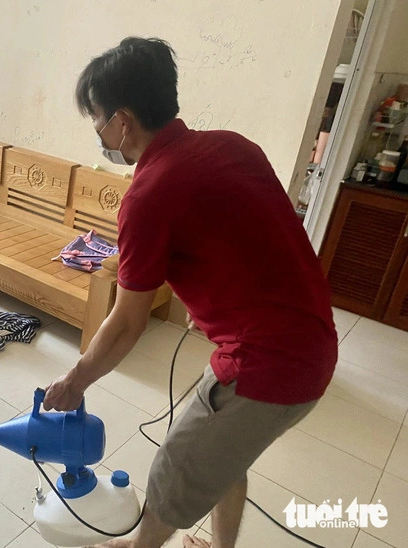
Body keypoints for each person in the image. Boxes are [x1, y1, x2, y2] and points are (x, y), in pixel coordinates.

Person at [42, 37, 337, 548]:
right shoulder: (232, 145)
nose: (97, 131)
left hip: (268, 360)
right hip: (312, 339)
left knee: (177, 464)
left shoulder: (149, 193)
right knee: (223, 458)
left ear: (122, 120)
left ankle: (140, 547)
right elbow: (255, 238)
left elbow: (127, 323)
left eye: (96, 117)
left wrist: (76, 380)